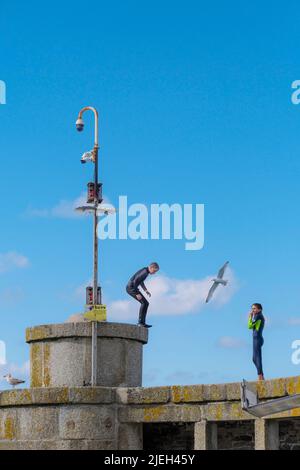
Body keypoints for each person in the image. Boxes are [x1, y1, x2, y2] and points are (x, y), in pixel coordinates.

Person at [126, 262, 159, 328]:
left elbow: (140, 281)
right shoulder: (145, 272)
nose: (154, 273)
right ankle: (140, 322)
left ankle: (142, 323)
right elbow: (135, 281)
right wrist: (137, 293)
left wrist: (146, 290)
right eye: (154, 271)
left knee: (146, 303)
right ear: (151, 268)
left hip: (133, 288)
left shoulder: (145, 270)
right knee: (144, 303)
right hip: (131, 289)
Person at [248, 303, 265, 381]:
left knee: (257, 358)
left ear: (259, 309)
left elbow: (250, 326)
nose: (253, 310)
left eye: (254, 308)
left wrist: (250, 317)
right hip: (256, 338)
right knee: (254, 359)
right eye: (252, 308)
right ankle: (261, 375)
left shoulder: (258, 316)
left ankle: (260, 376)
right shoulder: (258, 316)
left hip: (257, 339)